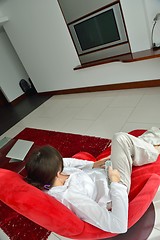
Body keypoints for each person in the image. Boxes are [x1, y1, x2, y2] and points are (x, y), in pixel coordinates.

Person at [25, 128, 160, 234]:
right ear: (57, 172)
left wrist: (92, 165)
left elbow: (67, 161)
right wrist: (115, 183)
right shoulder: (72, 197)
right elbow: (118, 225)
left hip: (104, 171)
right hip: (115, 184)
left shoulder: (49, 178)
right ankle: (155, 149)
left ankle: (151, 144)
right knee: (121, 138)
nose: (63, 161)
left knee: (132, 144)